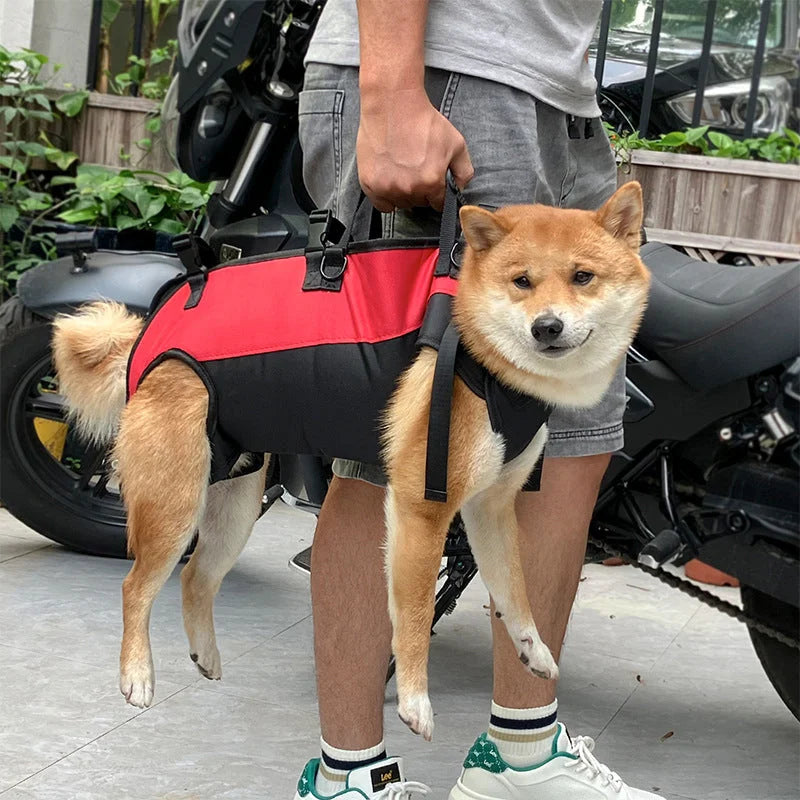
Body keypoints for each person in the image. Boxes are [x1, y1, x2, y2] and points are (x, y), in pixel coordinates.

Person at [294, 2, 665, 798]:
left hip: (556, 89)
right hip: (448, 69)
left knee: (574, 433)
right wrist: (392, 86)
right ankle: (347, 776)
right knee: (408, 447)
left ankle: (522, 756)